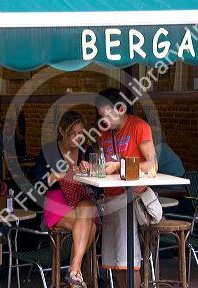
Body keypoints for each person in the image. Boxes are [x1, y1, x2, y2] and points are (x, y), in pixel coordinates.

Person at [80, 88, 157, 288]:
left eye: (107, 114)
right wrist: (91, 167)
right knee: (115, 262)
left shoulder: (139, 127)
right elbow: (104, 165)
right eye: (101, 116)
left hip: (129, 198)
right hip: (109, 199)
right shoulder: (104, 134)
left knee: (128, 261)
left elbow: (152, 165)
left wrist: (119, 165)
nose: (104, 120)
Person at [33, 110, 97, 288]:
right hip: (56, 202)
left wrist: (90, 169)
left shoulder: (86, 151)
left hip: (80, 198)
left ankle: (73, 271)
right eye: (73, 133)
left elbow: (97, 180)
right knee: (90, 226)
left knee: (87, 208)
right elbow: (36, 184)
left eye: (81, 133)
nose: (78, 138)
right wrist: (55, 176)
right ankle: (76, 272)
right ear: (62, 131)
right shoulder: (49, 151)